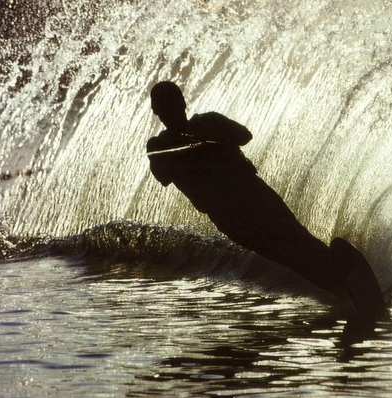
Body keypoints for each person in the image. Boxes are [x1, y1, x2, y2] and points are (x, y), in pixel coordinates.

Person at [146, 81, 344, 295]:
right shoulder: (158, 146)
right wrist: (189, 146)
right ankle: (337, 288)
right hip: (227, 216)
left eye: (171, 104)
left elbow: (245, 135)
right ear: (156, 111)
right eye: (163, 107)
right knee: (284, 255)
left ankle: (343, 273)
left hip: (254, 193)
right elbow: (162, 175)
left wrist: (217, 137)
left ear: (183, 102)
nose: (168, 111)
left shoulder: (210, 121)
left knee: (297, 236)